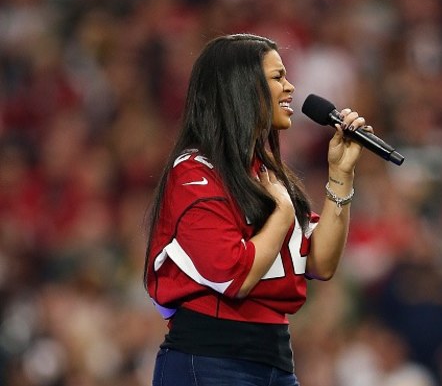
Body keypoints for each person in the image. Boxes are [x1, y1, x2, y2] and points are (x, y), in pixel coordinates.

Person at [143, 33, 369, 386]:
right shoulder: (194, 172)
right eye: (278, 77)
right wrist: (280, 215)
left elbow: (321, 261)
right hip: (210, 360)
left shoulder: (265, 173)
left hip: (274, 361)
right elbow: (234, 275)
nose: (291, 87)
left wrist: (341, 174)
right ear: (241, 88)